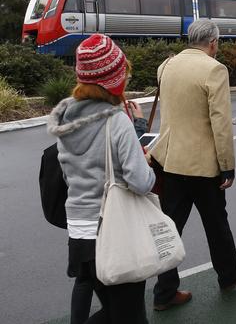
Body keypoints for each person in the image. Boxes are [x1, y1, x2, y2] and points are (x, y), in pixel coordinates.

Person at [150, 19, 236, 310]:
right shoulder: (214, 69)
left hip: (171, 161)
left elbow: (165, 84)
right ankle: (229, 275)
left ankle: (164, 293)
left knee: (171, 227)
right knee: (216, 224)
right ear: (213, 43)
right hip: (202, 165)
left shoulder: (167, 66)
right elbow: (220, 122)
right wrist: (227, 165)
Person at [48, 33, 156, 323]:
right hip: (113, 230)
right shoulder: (116, 120)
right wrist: (147, 160)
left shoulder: (66, 117)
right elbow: (141, 181)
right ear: (115, 79)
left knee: (113, 310)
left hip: (80, 233)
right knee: (130, 315)